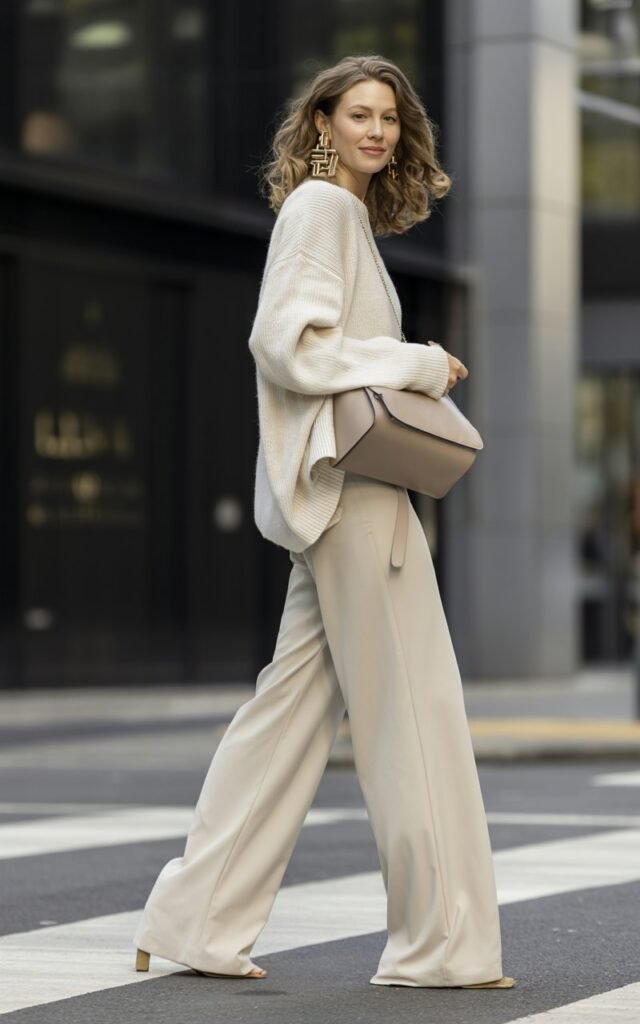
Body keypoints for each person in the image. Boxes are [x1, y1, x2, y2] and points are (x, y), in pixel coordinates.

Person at [133, 54, 515, 990]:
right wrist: (415, 362)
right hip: (357, 500)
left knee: (289, 718)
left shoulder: (339, 215)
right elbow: (285, 341)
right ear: (322, 124)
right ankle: (439, 948)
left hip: (340, 495)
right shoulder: (323, 209)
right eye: (358, 114)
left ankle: (195, 919)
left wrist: (396, 361)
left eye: (389, 116)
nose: (377, 130)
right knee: (413, 719)